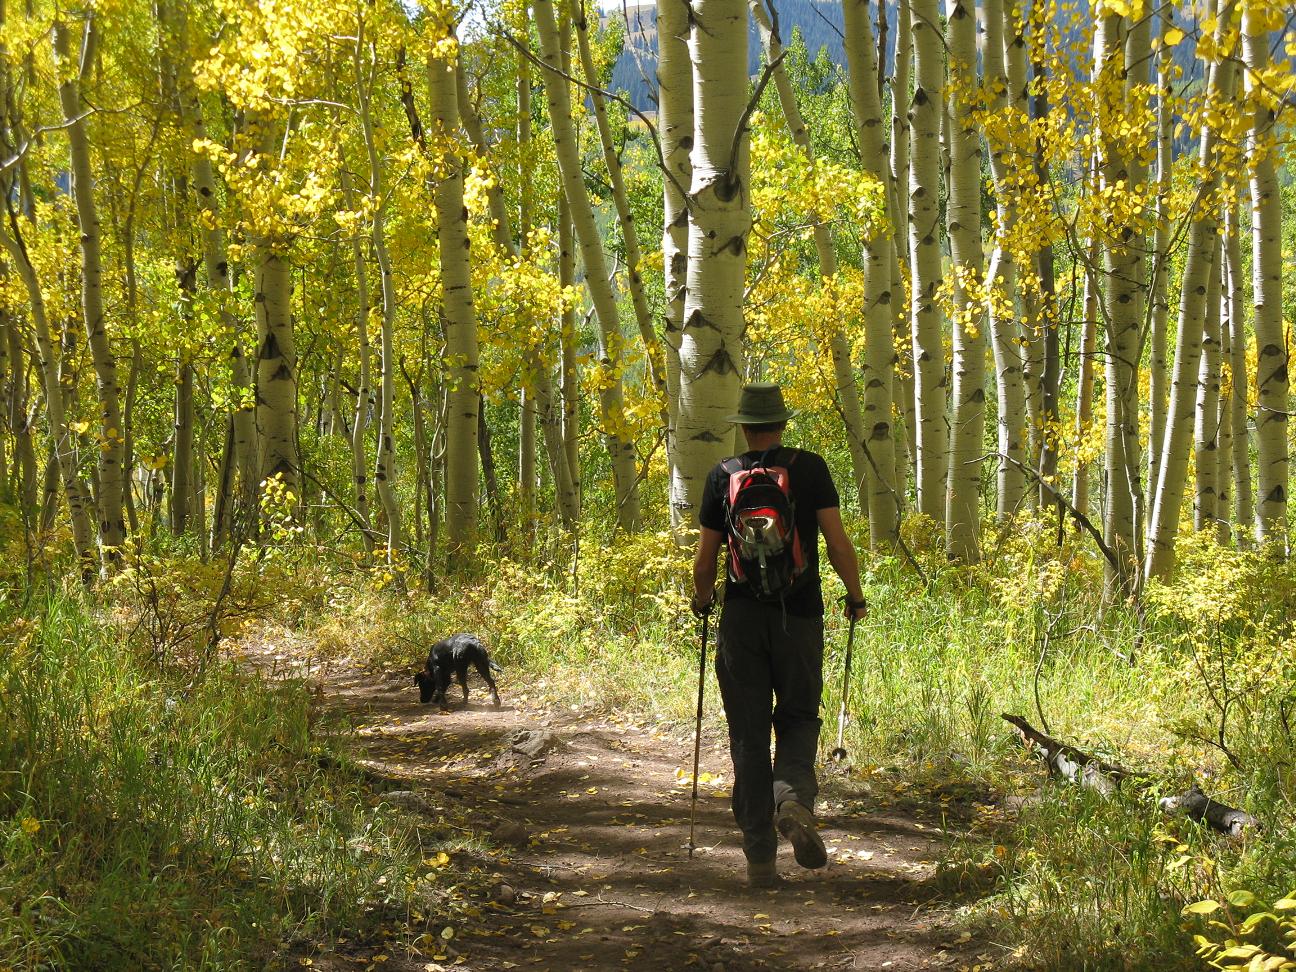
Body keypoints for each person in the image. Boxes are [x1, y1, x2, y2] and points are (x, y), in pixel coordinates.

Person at [690, 382, 868, 888]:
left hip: (741, 621)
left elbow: (705, 562)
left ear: (744, 427)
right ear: (782, 424)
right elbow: (837, 542)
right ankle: (791, 800)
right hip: (801, 616)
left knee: (747, 734)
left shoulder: (722, 476)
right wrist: (855, 597)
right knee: (798, 716)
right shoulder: (810, 468)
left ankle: (759, 860)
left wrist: (703, 602)